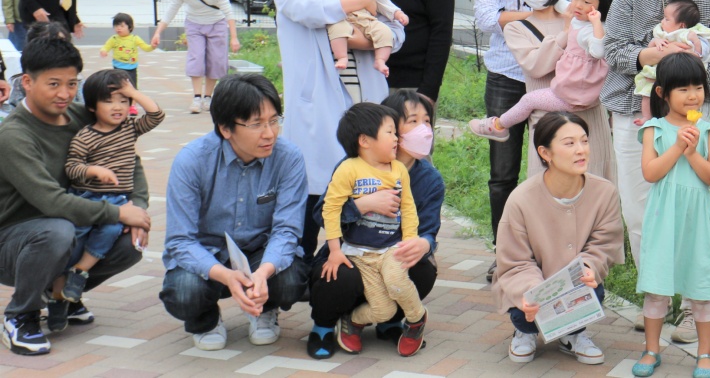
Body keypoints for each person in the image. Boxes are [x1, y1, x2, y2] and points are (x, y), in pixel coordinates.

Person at [602, 0, 710, 342]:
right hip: (635, 113)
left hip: (691, 119)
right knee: (640, 210)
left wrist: (682, 84)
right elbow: (612, 48)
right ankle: (655, 300)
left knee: (690, 211)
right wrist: (652, 56)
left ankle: (691, 308)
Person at [0, 35, 151, 356]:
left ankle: (64, 294)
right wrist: (117, 212)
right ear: (27, 82)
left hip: (68, 229)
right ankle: (21, 314)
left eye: (72, 83)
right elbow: (51, 202)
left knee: (130, 244)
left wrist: (137, 207)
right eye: (53, 84)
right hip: (15, 241)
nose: (65, 93)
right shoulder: (14, 135)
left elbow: (129, 159)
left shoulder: (82, 115)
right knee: (58, 230)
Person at [274, 0, 404, 268]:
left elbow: (396, 30)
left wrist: (361, 36)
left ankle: (360, 280)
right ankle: (300, 276)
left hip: (365, 102)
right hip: (315, 108)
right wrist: (362, 1)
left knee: (365, 198)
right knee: (311, 201)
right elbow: (309, 9)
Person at [474, 0, 586, 281]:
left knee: (559, 167)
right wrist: (542, 15)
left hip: (558, 79)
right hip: (506, 73)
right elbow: (485, 17)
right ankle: (506, 254)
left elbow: (582, 12)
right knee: (502, 173)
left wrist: (516, 15)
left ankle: (556, 254)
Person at [159, 74, 308, 351]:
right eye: (256, 124)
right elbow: (180, 241)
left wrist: (263, 273)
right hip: (208, 252)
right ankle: (205, 319)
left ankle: (264, 307)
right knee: (184, 293)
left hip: (259, 251)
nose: (269, 133)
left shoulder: (288, 157)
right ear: (225, 129)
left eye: (274, 120)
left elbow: (287, 230)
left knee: (291, 280)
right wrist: (226, 275)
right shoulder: (192, 161)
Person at [307, 90, 442, 360]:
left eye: (427, 121)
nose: (424, 129)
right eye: (413, 121)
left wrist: (423, 243)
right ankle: (323, 326)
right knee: (339, 274)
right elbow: (321, 213)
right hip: (353, 253)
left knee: (422, 269)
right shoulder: (352, 165)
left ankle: (389, 321)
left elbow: (428, 229)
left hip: (390, 254)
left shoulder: (429, 179)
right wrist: (362, 205)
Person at [492, 112, 624, 365]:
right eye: (569, 143)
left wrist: (589, 266)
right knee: (524, 313)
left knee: (592, 289)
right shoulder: (521, 198)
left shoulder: (604, 192)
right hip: (532, 285)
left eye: (584, 141)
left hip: (576, 284)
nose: (581, 150)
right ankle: (524, 332)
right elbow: (514, 261)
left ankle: (572, 333)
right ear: (545, 153)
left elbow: (605, 243)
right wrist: (534, 292)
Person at [631, 53, 710, 378]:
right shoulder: (653, 129)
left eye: (698, 87)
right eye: (683, 89)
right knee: (657, 287)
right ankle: (651, 350)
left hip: (697, 220)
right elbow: (651, 173)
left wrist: (692, 153)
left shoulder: (709, 130)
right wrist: (676, 147)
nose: (693, 95)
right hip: (663, 219)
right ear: (662, 93)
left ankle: (705, 354)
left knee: (701, 287)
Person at [59, 70, 164, 305]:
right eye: (108, 101)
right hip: (87, 197)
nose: (117, 107)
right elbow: (72, 167)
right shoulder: (85, 137)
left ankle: (79, 272)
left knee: (110, 231)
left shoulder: (130, 128)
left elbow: (156, 115)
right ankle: (57, 288)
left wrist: (133, 92)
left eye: (124, 101)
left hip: (117, 200)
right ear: (92, 106)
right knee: (76, 238)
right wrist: (93, 170)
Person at [469, 0, 611, 142]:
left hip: (571, 96)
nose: (578, 5)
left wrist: (596, 24)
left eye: (586, 1)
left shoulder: (589, 30)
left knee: (529, 100)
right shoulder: (579, 16)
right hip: (578, 93)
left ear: (601, 6)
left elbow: (598, 51)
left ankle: (498, 126)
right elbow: (561, 4)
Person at [150, 0, 240, 114]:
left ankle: (208, 97)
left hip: (216, 24)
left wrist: (234, 37)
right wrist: (158, 32)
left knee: (216, 60)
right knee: (196, 58)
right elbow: (170, 11)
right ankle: (197, 97)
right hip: (194, 25)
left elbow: (227, 10)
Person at [633, 0, 710, 126]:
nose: (662, 21)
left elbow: (704, 50)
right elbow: (650, 48)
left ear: (682, 25)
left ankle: (683, 119)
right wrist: (656, 42)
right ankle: (647, 116)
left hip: (680, 75)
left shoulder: (690, 33)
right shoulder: (662, 34)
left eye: (667, 19)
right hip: (657, 72)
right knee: (647, 93)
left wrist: (696, 48)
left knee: (680, 98)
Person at [101, 13, 155, 95]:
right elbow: (106, 47)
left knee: (132, 87)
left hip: (131, 68)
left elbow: (146, 48)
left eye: (122, 26)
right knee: (119, 86)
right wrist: (104, 51)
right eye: (116, 26)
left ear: (130, 27)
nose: (118, 28)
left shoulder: (135, 38)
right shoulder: (114, 39)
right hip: (118, 67)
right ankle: (120, 100)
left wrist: (152, 46)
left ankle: (133, 102)